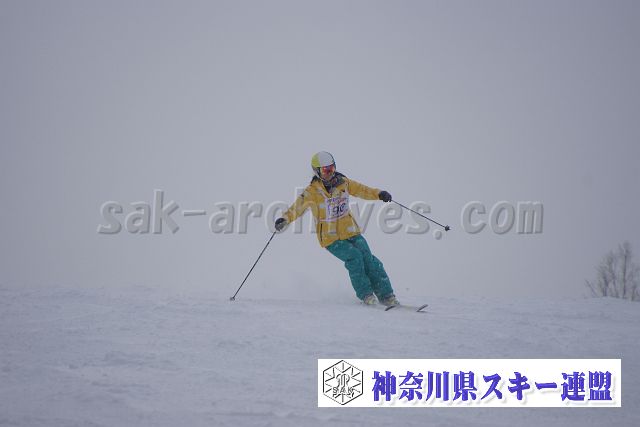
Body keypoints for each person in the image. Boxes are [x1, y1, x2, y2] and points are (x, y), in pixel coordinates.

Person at [275, 151, 399, 306]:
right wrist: (285, 219)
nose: (330, 173)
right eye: (325, 170)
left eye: (332, 168)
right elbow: (297, 208)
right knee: (354, 257)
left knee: (369, 259)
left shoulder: (344, 183)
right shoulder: (312, 192)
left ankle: (386, 296)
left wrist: (379, 194)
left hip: (351, 231)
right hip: (331, 238)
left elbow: (363, 190)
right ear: (317, 172)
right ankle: (367, 295)